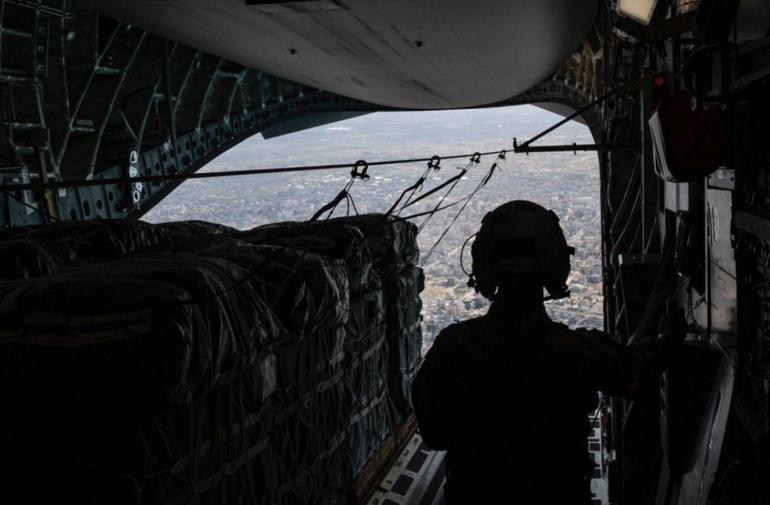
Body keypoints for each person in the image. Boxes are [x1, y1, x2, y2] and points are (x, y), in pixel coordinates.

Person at [411, 200, 684, 504]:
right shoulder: (578, 350)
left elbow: (434, 434)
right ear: (556, 265)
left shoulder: (453, 347)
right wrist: (670, 336)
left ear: (482, 264)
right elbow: (638, 368)